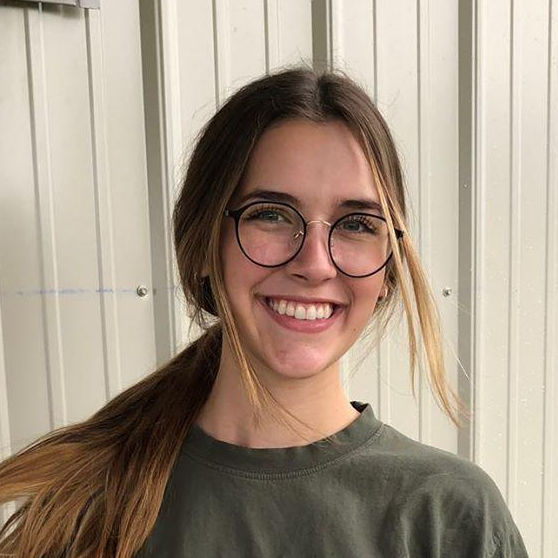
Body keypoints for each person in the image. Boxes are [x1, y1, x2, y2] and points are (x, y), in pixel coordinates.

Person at [0, 66, 528, 558]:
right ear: (204, 245)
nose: (315, 264)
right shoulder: (84, 506)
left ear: (388, 271)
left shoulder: (451, 517)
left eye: (357, 224)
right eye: (271, 214)